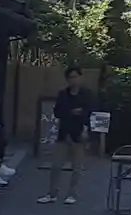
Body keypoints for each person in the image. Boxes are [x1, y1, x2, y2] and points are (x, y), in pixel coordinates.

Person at [39, 66, 94, 205]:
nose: (73, 80)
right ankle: (52, 193)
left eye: (75, 76)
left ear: (81, 77)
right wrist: (71, 112)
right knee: (56, 165)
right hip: (64, 133)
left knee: (77, 166)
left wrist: (86, 129)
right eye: (70, 77)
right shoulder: (63, 94)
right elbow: (57, 112)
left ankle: (72, 193)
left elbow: (90, 112)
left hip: (79, 133)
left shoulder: (87, 94)